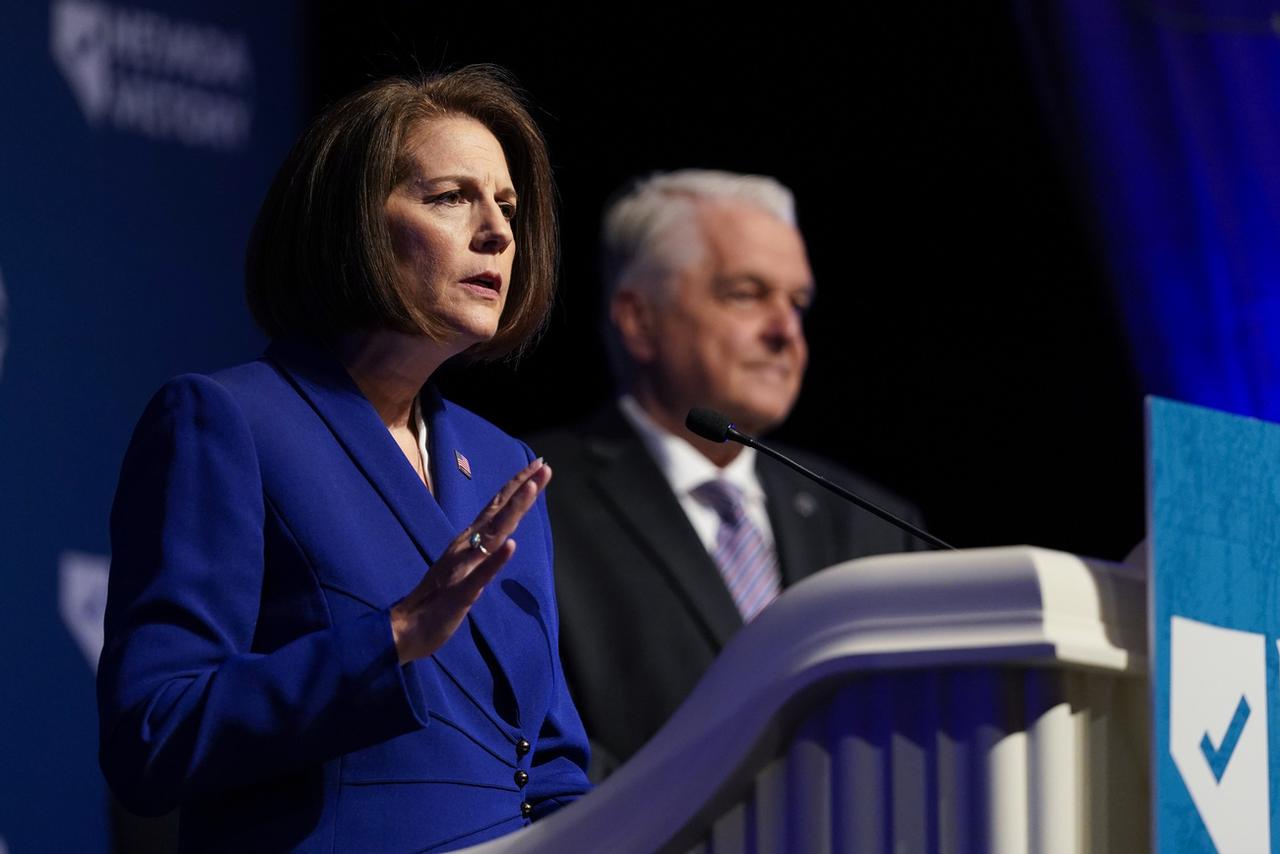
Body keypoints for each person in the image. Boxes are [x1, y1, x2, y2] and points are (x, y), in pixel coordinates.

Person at [97, 67, 590, 852]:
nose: (497, 232)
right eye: (450, 197)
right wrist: (391, 636)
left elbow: (552, 763)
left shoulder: (504, 462)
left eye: (507, 206)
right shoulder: (231, 423)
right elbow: (152, 733)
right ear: (353, 223)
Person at [531, 170, 923, 780]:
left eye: (797, 303)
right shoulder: (533, 498)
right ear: (638, 320)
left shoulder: (875, 525)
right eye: (747, 293)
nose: (785, 332)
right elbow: (542, 747)